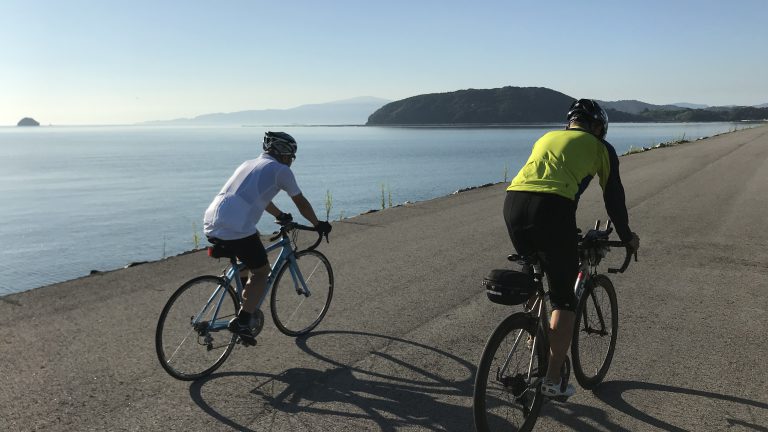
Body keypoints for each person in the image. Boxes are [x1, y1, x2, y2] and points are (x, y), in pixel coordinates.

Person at [503, 99, 640, 398]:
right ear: (597, 127)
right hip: (551, 209)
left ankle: (534, 334)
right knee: (564, 300)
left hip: (513, 204)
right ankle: (553, 380)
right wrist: (627, 236)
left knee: (535, 272)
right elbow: (613, 198)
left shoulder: (547, 137)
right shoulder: (601, 148)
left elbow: (544, 180)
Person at [203, 131, 332, 344]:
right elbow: (300, 201)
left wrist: (280, 215)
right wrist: (318, 224)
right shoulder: (280, 170)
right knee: (262, 272)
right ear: (283, 152)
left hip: (212, 220)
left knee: (246, 260)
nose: (292, 160)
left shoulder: (249, 164)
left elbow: (258, 197)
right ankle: (243, 321)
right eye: (291, 155)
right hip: (237, 226)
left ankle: (244, 303)